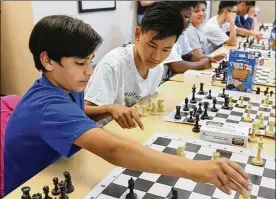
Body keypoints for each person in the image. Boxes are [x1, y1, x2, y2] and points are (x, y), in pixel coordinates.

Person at [4, 4, 251, 198]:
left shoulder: (67, 85)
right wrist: (198, 169)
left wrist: (108, 108)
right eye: (81, 63)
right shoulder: (49, 105)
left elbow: (78, 117)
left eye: (90, 61)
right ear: (47, 61)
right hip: (34, 186)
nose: (90, 72)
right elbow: (113, 150)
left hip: (66, 168)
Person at [84, 1, 183, 129]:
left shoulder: (157, 67)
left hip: (132, 130)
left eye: (166, 50)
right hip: (104, 133)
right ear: (137, 34)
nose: (157, 57)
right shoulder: (114, 64)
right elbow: (85, 111)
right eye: (151, 45)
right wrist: (110, 109)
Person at [162, 1, 225, 80]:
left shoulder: (182, 32)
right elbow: (175, 66)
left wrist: (208, 58)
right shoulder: (167, 34)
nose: (189, 20)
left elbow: (188, 55)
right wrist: (201, 64)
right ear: (173, 15)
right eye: (186, 16)